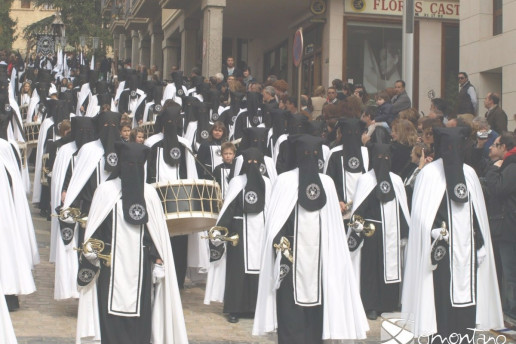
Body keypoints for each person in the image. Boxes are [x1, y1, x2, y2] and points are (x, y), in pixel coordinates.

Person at [253, 134, 369, 343]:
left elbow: (333, 226)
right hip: (289, 255)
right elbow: (275, 222)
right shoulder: (285, 181)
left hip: (321, 257)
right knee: (289, 307)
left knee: (318, 306)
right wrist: (279, 245)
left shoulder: (327, 183)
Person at [75, 142, 188, 344]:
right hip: (110, 266)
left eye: (137, 164)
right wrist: (91, 248)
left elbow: (156, 234)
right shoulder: (105, 191)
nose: (132, 168)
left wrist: (158, 259)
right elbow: (94, 228)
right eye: (128, 163)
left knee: (141, 314)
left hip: (142, 267)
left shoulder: (150, 195)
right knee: (108, 315)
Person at [402, 127, 503, 341]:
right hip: (441, 250)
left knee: (467, 297)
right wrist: (434, 229)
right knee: (440, 295)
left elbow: (477, 212)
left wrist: (482, 242)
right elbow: (420, 213)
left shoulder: (469, 173)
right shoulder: (429, 174)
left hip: (468, 250)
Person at [205, 148, 272, 323]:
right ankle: (234, 309)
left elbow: (271, 209)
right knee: (237, 271)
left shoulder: (267, 183)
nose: (252, 166)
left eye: (256, 163)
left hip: (261, 232)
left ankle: (256, 308)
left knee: (259, 271)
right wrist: (220, 229)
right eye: (249, 163)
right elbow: (229, 207)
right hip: (239, 231)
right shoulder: (237, 182)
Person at [348, 143, 410, 320]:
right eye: (379, 158)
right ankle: (371, 305)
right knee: (370, 270)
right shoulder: (366, 180)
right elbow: (359, 206)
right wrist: (358, 223)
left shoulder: (396, 181)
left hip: (392, 232)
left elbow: (403, 209)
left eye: (386, 158)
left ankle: (388, 303)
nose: (383, 161)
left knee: (389, 268)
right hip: (371, 234)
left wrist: (404, 233)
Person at [484, 132, 516, 322]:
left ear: (504, 147)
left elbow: (498, 189)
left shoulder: (510, 165)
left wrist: (494, 170)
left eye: (495, 144)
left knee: (510, 271)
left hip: (509, 227)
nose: (490, 147)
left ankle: (511, 310)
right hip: (509, 226)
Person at [324, 118, 369, 218]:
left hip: (364, 210)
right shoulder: (334, 153)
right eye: (348, 132)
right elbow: (328, 180)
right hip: (341, 210)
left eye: (356, 132)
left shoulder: (367, 152)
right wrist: (338, 200)